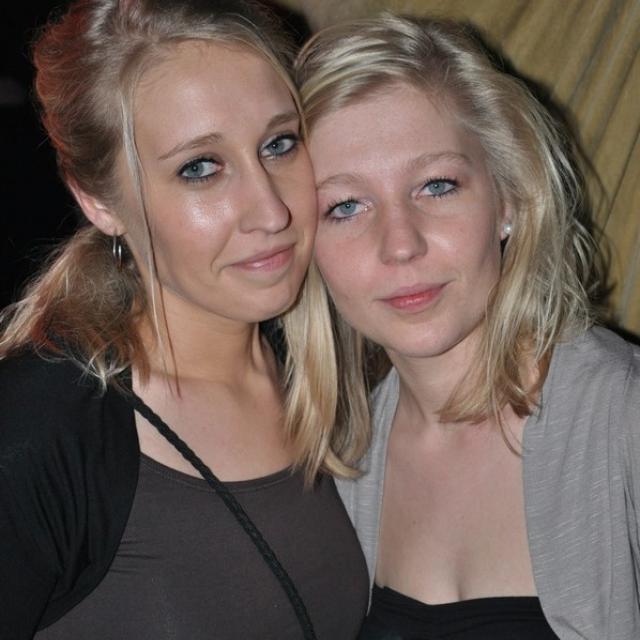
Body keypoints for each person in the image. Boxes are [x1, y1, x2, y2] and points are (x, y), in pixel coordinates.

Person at [0, 1, 370, 638]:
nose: (271, 211)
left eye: (279, 144)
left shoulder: (350, 367)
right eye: (200, 168)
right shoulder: (41, 428)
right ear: (98, 200)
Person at [294, 13, 640, 640]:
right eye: (345, 206)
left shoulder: (623, 419)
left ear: (508, 200)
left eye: (436, 185)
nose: (400, 244)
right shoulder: (341, 460)